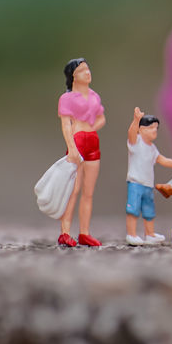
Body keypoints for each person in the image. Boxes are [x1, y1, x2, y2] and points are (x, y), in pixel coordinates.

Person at [57, 58, 106, 247]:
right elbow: (65, 125)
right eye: (82, 70)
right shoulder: (67, 98)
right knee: (73, 190)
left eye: (88, 69)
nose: (88, 73)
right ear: (73, 76)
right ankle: (65, 232)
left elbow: (101, 118)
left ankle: (84, 232)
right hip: (77, 141)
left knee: (88, 192)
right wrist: (72, 148)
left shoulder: (94, 96)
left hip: (93, 141)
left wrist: (92, 125)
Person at [125, 108, 172, 246]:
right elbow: (131, 133)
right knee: (133, 210)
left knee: (148, 210)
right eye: (150, 128)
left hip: (147, 185)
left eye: (156, 128)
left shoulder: (152, 148)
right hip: (136, 183)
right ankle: (131, 234)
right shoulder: (136, 143)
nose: (154, 131)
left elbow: (161, 159)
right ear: (140, 130)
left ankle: (149, 234)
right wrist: (136, 120)